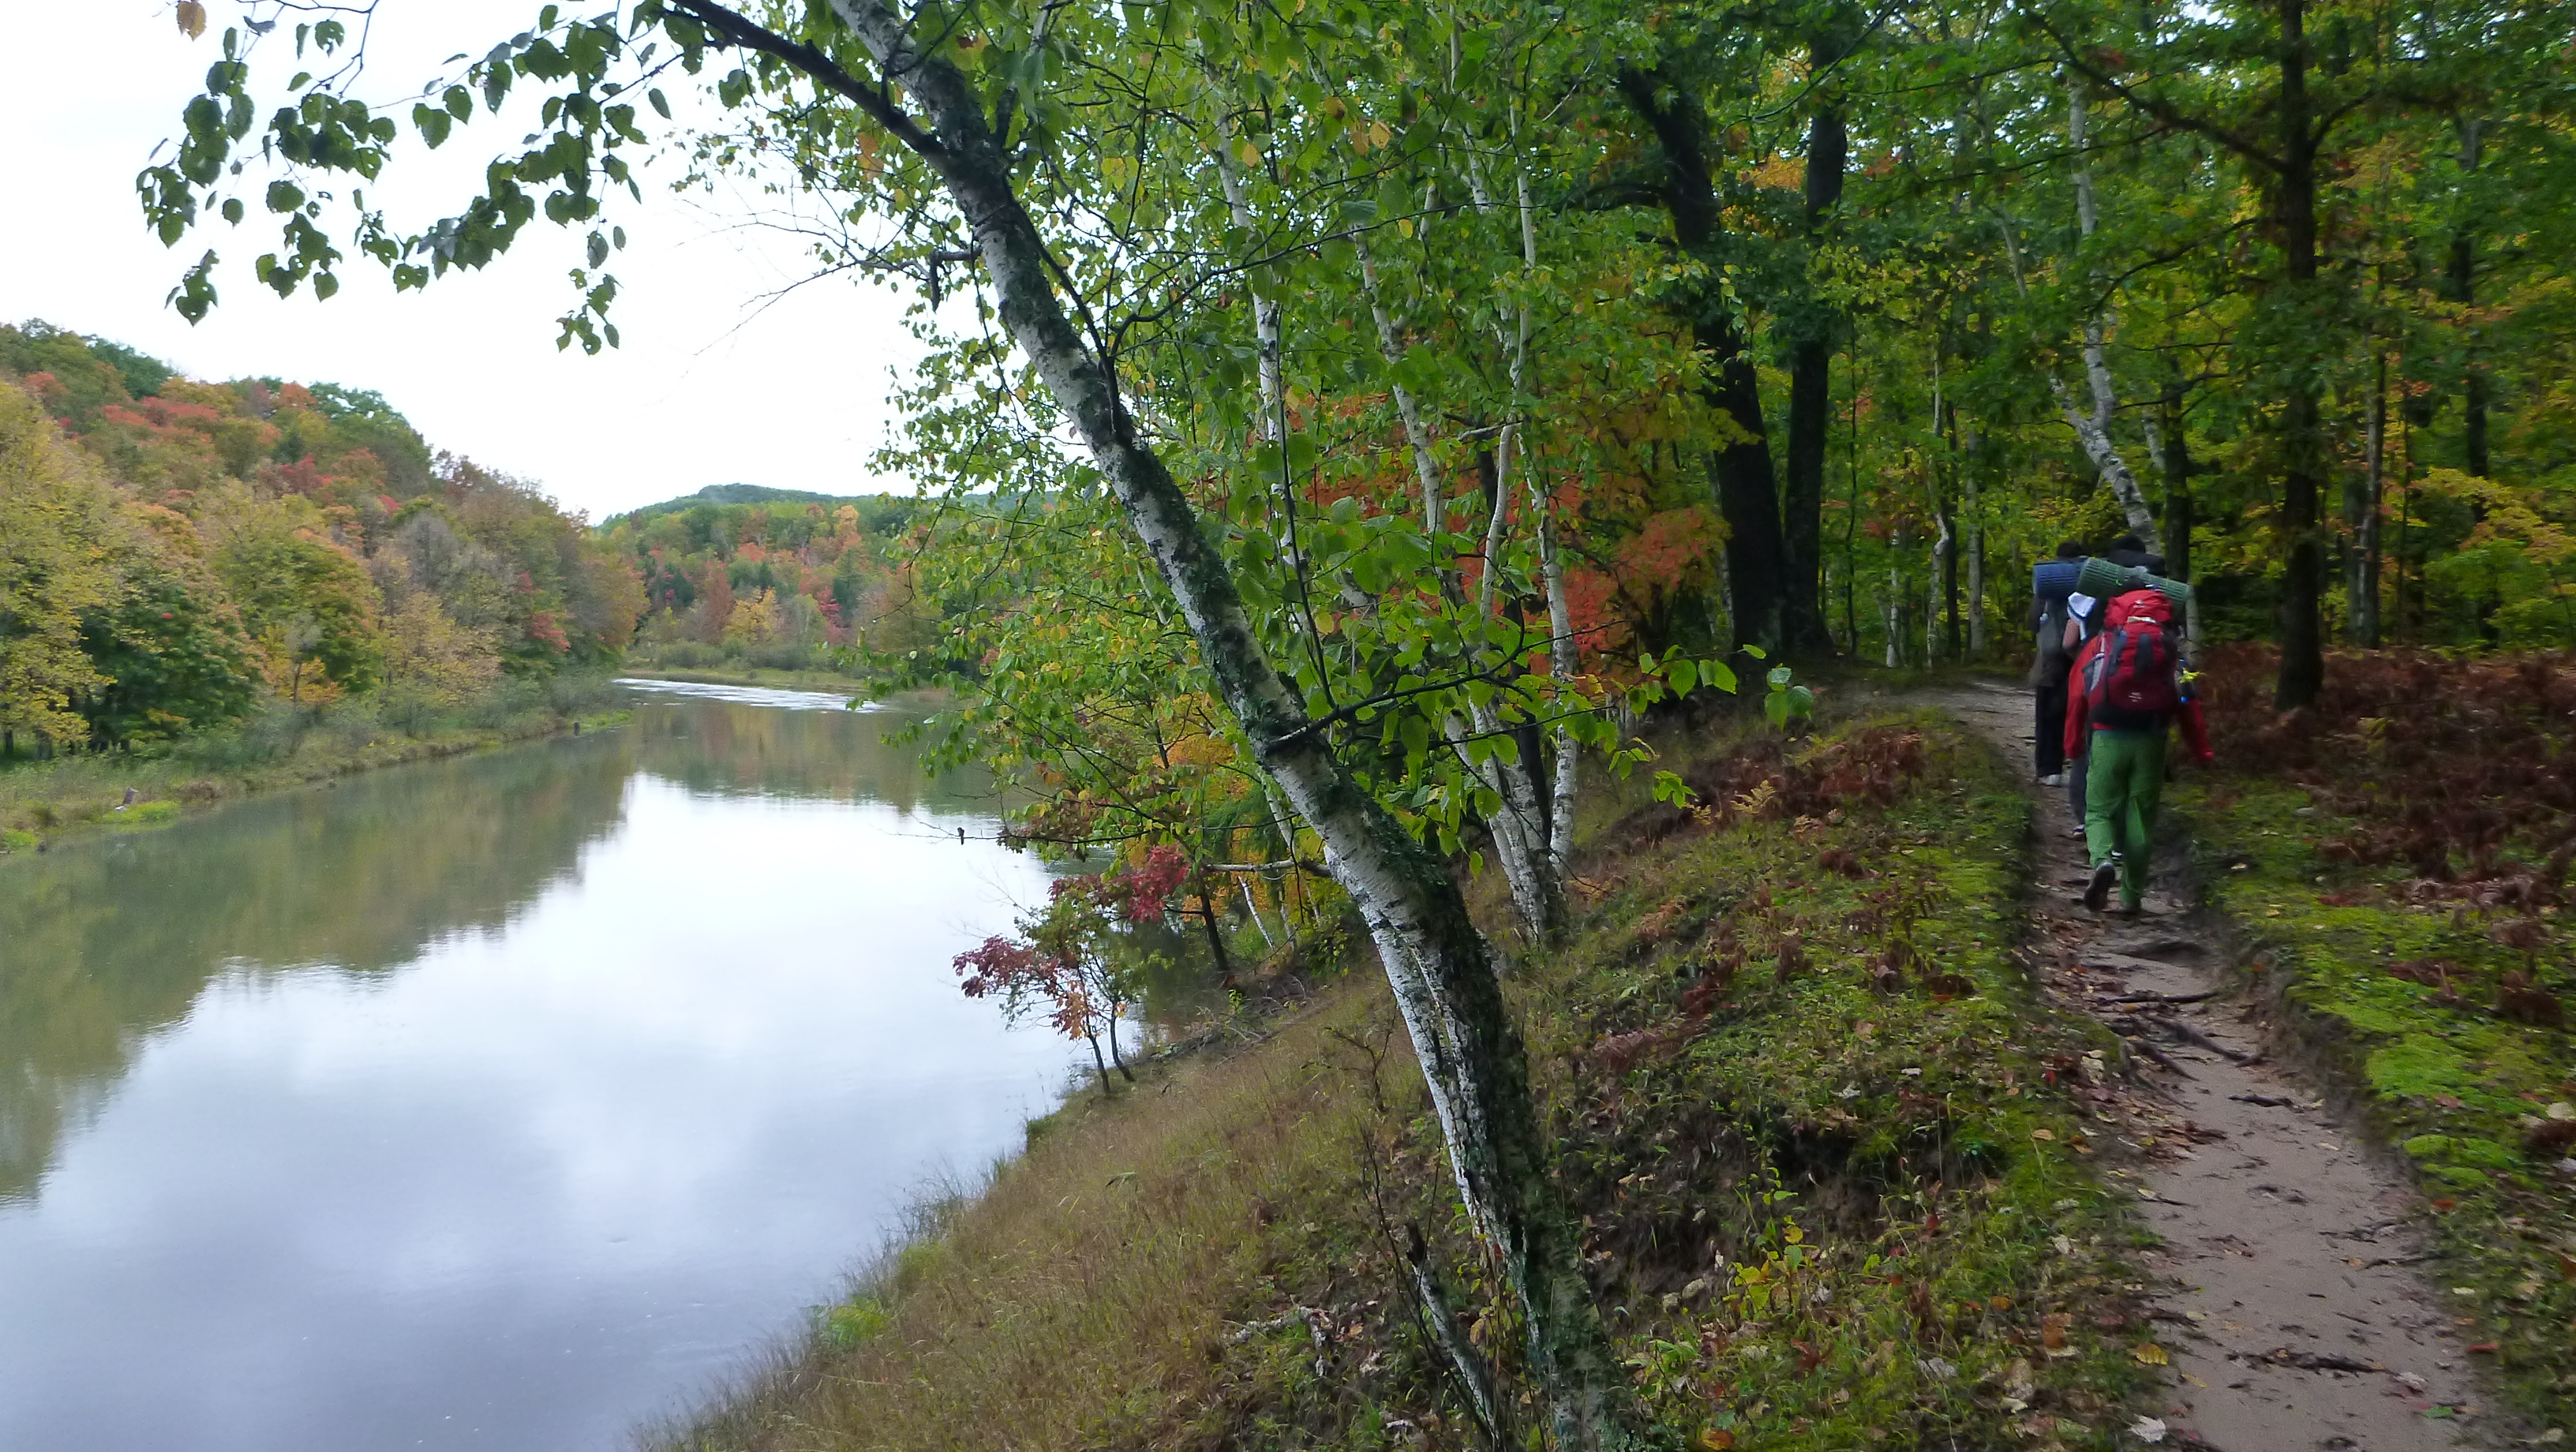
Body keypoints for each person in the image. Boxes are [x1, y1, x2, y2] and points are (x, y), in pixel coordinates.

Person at [2065, 587, 2211, 913]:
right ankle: (2131, 897)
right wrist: (2201, 751)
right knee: (2141, 817)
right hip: (2151, 740)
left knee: (2099, 809)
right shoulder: (2171, 651)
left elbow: (2077, 696)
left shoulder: (2101, 645)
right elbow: (2189, 704)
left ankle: (2103, 861)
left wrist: (2073, 743)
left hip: (2107, 736)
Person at [2029, 542, 2085, 784]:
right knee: (2078, 712)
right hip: (2082, 655)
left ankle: (2048, 770)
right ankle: (2080, 766)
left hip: (2050, 660)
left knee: (2047, 713)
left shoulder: (2048, 583)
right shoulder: (2088, 583)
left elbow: (2032, 622)